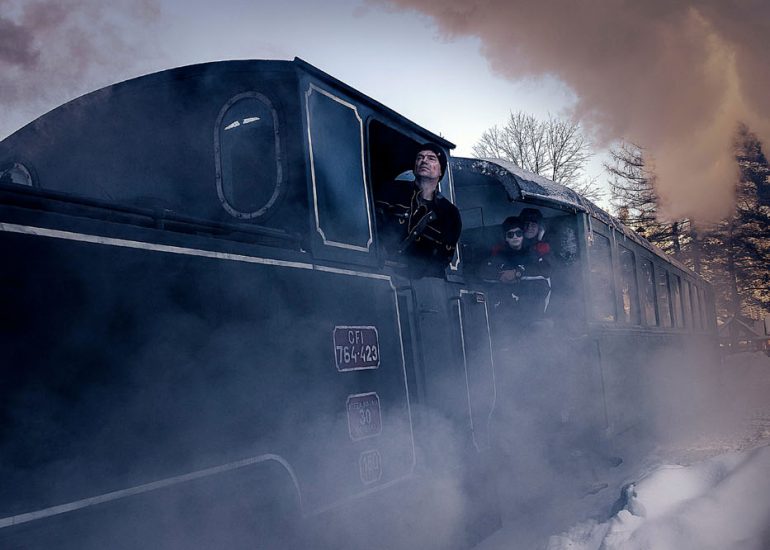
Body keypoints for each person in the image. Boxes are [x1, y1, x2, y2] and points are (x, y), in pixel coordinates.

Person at [375, 143, 462, 278]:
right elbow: (373, 225)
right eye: (419, 157)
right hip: (382, 272)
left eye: (431, 158)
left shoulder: (450, 213)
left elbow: (444, 257)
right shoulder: (391, 191)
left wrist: (418, 272)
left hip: (422, 283)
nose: (424, 161)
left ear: (440, 171)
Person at [480, 215, 551, 318]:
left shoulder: (532, 253)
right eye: (510, 234)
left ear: (523, 235)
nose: (515, 237)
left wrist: (518, 273)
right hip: (506, 311)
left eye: (518, 233)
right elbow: (483, 272)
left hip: (530, 310)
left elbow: (545, 271)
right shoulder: (499, 255)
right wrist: (500, 276)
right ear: (505, 238)